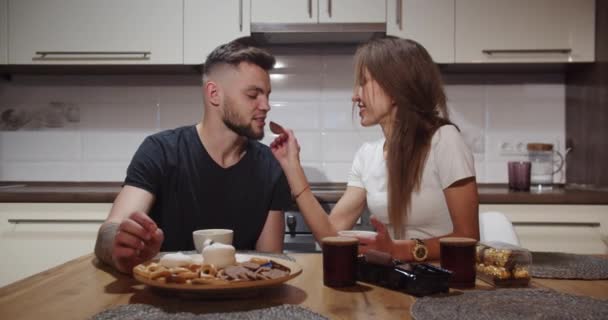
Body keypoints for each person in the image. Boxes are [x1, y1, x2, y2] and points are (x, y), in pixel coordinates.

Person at [270, 36, 479, 262]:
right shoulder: (367, 156)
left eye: (364, 82)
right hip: (398, 283)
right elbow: (329, 236)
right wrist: (292, 167)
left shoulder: (445, 140)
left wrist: (402, 250)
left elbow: (468, 238)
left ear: (397, 85)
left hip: (446, 285)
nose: (355, 96)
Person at [94, 38, 292, 274]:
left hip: (239, 299)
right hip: (165, 297)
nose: (266, 105)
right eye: (253, 95)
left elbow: (268, 263)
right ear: (214, 93)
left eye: (267, 95)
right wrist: (118, 245)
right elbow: (109, 232)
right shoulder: (160, 151)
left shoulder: (270, 165)